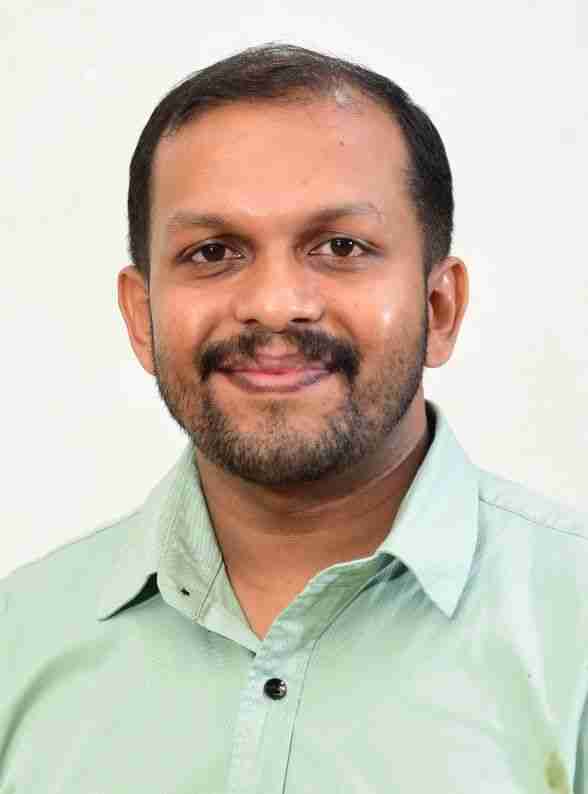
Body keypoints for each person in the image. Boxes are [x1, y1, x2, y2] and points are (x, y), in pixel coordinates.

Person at [1, 42, 587, 793]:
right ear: (141, 317)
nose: (275, 305)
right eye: (213, 252)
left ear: (439, 308)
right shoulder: (18, 644)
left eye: (341, 246)